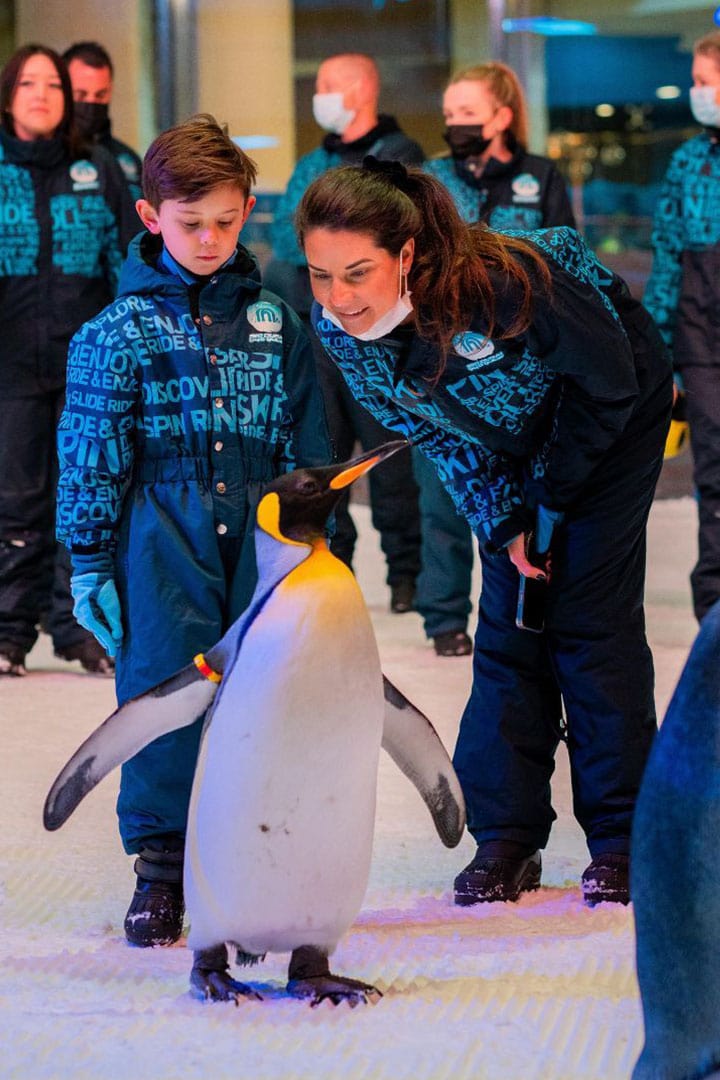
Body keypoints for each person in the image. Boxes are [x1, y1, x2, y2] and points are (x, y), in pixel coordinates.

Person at [295, 159, 672, 907]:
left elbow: (607, 380)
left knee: (588, 623)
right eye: (319, 275)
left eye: (357, 273)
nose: (337, 299)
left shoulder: (506, 283)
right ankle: (506, 834)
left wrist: (551, 500)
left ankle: (628, 837)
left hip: (614, 409)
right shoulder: (339, 329)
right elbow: (429, 430)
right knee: (509, 624)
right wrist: (504, 521)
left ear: (406, 255)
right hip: (507, 444)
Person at [56, 114, 331, 947]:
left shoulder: (278, 324)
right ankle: (162, 869)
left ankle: (252, 863)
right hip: (158, 536)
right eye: (188, 223)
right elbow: (91, 453)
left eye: (224, 219)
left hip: (263, 532)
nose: (208, 238)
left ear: (249, 208)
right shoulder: (114, 333)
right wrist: (90, 560)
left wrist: (317, 547)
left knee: (262, 698)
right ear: (150, 217)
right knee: (162, 689)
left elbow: (309, 445)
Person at [417, 61, 576, 658]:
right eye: (450, 114)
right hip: (446, 355)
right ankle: (443, 616)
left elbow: (568, 258)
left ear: (502, 116)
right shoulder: (430, 178)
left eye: (468, 113)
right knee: (445, 485)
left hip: (527, 359)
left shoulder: (541, 176)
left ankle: (524, 604)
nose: (455, 124)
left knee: (527, 492)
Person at [266, 52, 424, 614]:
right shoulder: (311, 163)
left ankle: (407, 576)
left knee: (392, 465)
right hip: (316, 341)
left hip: (381, 341)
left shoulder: (399, 160)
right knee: (323, 461)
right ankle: (335, 568)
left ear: (363, 88)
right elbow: (289, 251)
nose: (320, 94)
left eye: (330, 84)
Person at [0, 44, 139, 678]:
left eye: (52, 84)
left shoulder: (100, 167)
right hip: (9, 365)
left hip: (87, 368)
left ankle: (77, 630)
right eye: (27, 83)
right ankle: (8, 633)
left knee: (83, 498)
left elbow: (125, 260)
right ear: (8, 95)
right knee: (18, 502)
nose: (41, 94)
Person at [643, 30, 720, 624]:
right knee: (714, 470)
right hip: (701, 332)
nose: (696, 92)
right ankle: (714, 608)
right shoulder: (689, 161)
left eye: (703, 81)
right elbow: (667, 256)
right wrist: (660, 352)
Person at [63, 40, 143, 202]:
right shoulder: (49, 157)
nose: (91, 103)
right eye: (81, 95)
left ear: (110, 91)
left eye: (100, 95)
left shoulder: (127, 160)